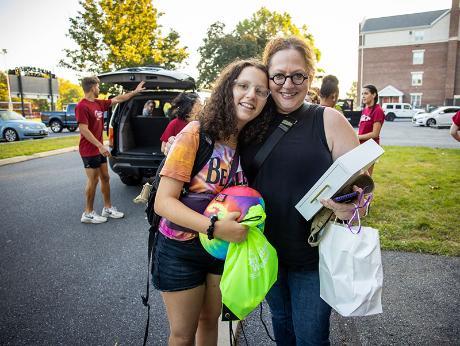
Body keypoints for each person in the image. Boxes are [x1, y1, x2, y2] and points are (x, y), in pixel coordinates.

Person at [239, 36, 366, 345]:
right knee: (282, 323)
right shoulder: (250, 118)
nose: (287, 84)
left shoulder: (330, 121)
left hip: (313, 256)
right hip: (263, 252)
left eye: (298, 76)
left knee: (310, 335)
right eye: (279, 75)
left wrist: (351, 207)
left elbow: (361, 192)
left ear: (310, 76)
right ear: (267, 75)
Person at [153, 59, 272, 345]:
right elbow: (163, 202)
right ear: (227, 89)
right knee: (182, 335)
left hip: (223, 252)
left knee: (210, 324)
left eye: (260, 90)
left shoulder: (251, 143)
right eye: (243, 86)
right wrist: (215, 227)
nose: (251, 95)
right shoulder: (196, 134)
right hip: (180, 249)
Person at [76, 76, 145, 223]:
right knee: (93, 180)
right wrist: (100, 145)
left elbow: (119, 99)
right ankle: (87, 213)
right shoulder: (82, 106)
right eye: (98, 86)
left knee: (105, 178)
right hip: (89, 150)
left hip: (98, 149)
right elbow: (84, 129)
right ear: (93, 87)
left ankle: (107, 208)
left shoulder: (98, 103)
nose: (99, 89)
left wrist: (134, 92)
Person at [133, 92, 202, 204]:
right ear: (190, 108)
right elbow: (163, 148)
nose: (202, 106)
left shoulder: (202, 124)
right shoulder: (175, 123)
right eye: (199, 103)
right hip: (177, 169)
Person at [357, 84, 385, 175]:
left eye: (366, 93)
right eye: (362, 94)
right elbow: (362, 129)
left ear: (374, 95)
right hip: (361, 146)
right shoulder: (365, 109)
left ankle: (368, 189)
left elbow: (375, 134)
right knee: (359, 175)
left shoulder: (378, 111)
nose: (363, 96)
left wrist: (358, 137)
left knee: (366, 176)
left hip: (370, 147)